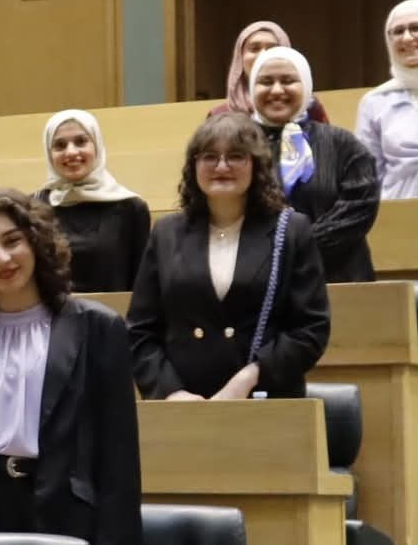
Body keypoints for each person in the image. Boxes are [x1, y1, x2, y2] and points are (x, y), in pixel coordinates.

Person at [0, 191, 142, 545]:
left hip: (70, 515)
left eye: (12, 241)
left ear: (36, 242)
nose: (1, 258)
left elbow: (119, 457)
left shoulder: (98, 328)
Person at [127, 115, 331, 401]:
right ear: (194, 166)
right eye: (209, 157)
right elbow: (140, 331)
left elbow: (310, 329)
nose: (221, 166)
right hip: (183, 406)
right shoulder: (165, 233)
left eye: (236, 156)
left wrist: (250, 377)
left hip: (264, 399)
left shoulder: (291, 230)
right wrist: (170, 391)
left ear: (256, 165)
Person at [244, 45, 378, 283]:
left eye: (288, 81)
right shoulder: (236, 146)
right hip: (256, 280)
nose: (277, 90)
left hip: (337, 278)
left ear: (306, 86)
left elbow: (359, 209)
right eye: (265, 82)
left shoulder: (342, 144)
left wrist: (294, 249)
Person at [38, 109, 151, 294]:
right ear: (49, 154)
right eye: (60, 145)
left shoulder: (131, 208)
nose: (71, 152)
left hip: (113, 312)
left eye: (81, 141)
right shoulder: (35, 208)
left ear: (97, 146)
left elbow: (141, 285)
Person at [355, 0, 418, 200]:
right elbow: (367, 176)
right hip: (401, 210)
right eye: (398, 31)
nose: (407, 38)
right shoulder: (375, 102)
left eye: (416, 28)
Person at [213, 20, 331, 123]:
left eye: (272, 48)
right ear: (240, 58)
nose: (263, 55)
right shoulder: (220, 115)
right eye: (254, 48)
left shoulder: (310, 107)